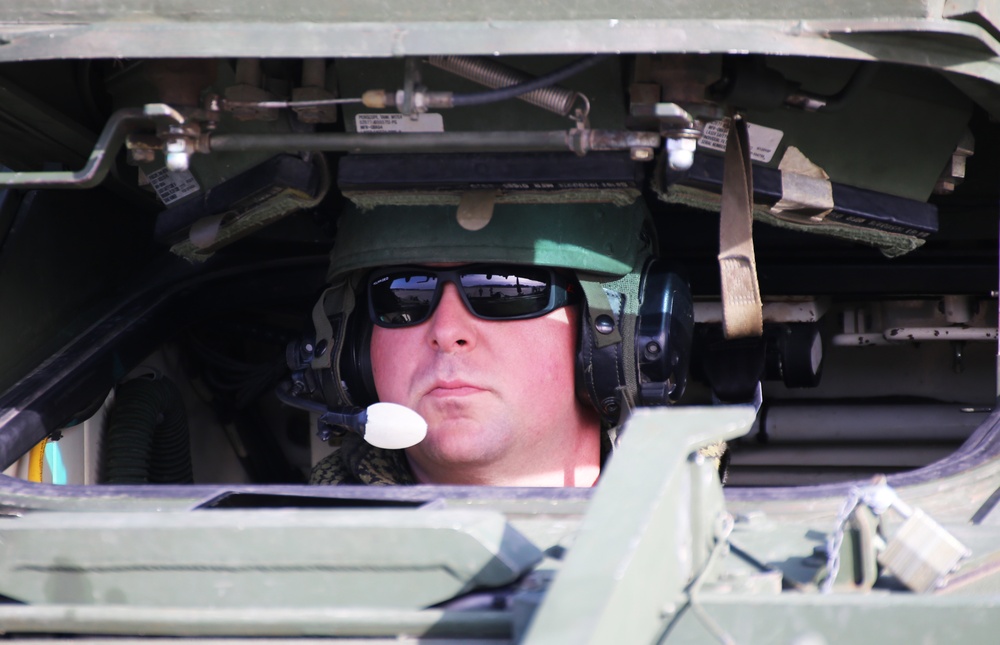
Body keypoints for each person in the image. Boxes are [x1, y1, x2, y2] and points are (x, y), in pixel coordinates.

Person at [308, 199, 689, 486]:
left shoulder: (708, 549)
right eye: (403, 295)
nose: (446, 331)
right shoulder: (288, 567)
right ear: (353, 351)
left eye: (503, 291)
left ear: (612, 339)